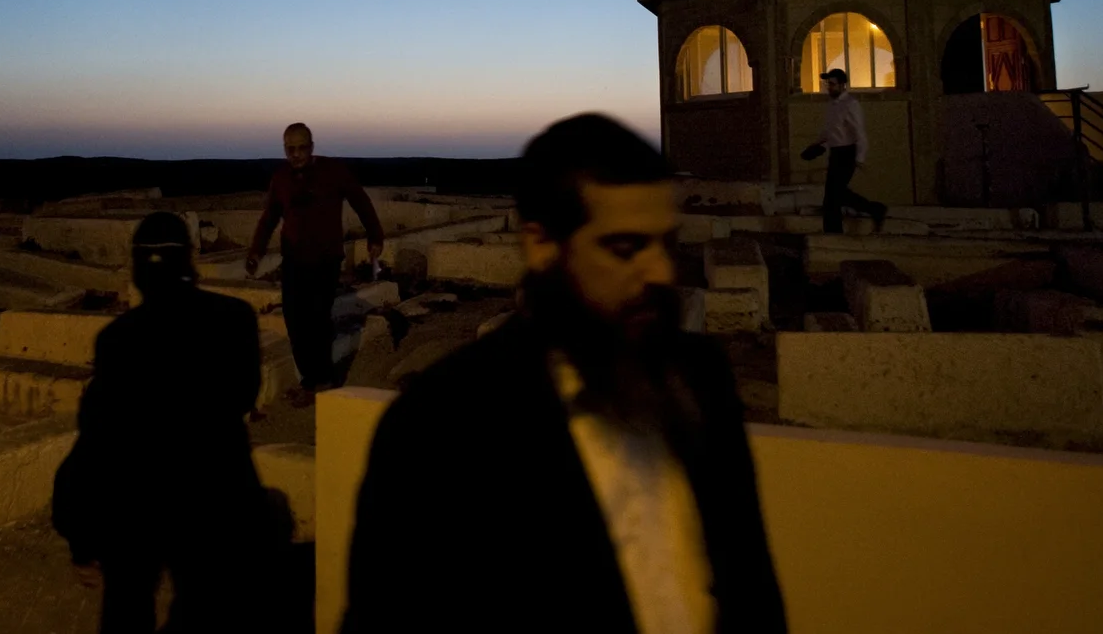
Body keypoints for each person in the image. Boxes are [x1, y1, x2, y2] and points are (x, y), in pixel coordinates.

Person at [343, 113, 786, 634]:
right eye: (625, 248)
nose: (661, 273)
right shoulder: (439, 428)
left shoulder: (699, 377)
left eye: (666, 244)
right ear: (542, 245)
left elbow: (751, 588)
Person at [52, 212, 277, 634]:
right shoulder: (234, 319)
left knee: (125, 605)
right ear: (189, 261)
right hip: (216, 496)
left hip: (138, 505)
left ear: (137, 268)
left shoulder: (116, 339)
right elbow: (243, 396)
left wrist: (81, 537)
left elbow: (96, 439)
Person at [245, 123, 384, 404]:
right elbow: (269, 217)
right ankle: (312, 379)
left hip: (325, 258)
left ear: (311, 146)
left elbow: (361, 201)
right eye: (290, 149)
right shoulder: (281, 179)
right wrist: (256, 252)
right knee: (295, 319)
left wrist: (375, 235)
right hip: (294, 259)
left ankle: (322, 380)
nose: (295, 154)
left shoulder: (333, 172)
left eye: (301, 148)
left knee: (317, 318)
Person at [801, 67, 887, 234]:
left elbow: (859, 132)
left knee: (833, 195)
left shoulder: (851, 104)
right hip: (836, 153)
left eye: (832, 84)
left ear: (842, 85)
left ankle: (835, 232)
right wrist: (816, 145)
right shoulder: (833, 105)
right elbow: (830, 131)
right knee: (835, 194)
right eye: (828, 84)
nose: (829, 87)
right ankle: (874, 210)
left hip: (847, 153)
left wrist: (859, 158)